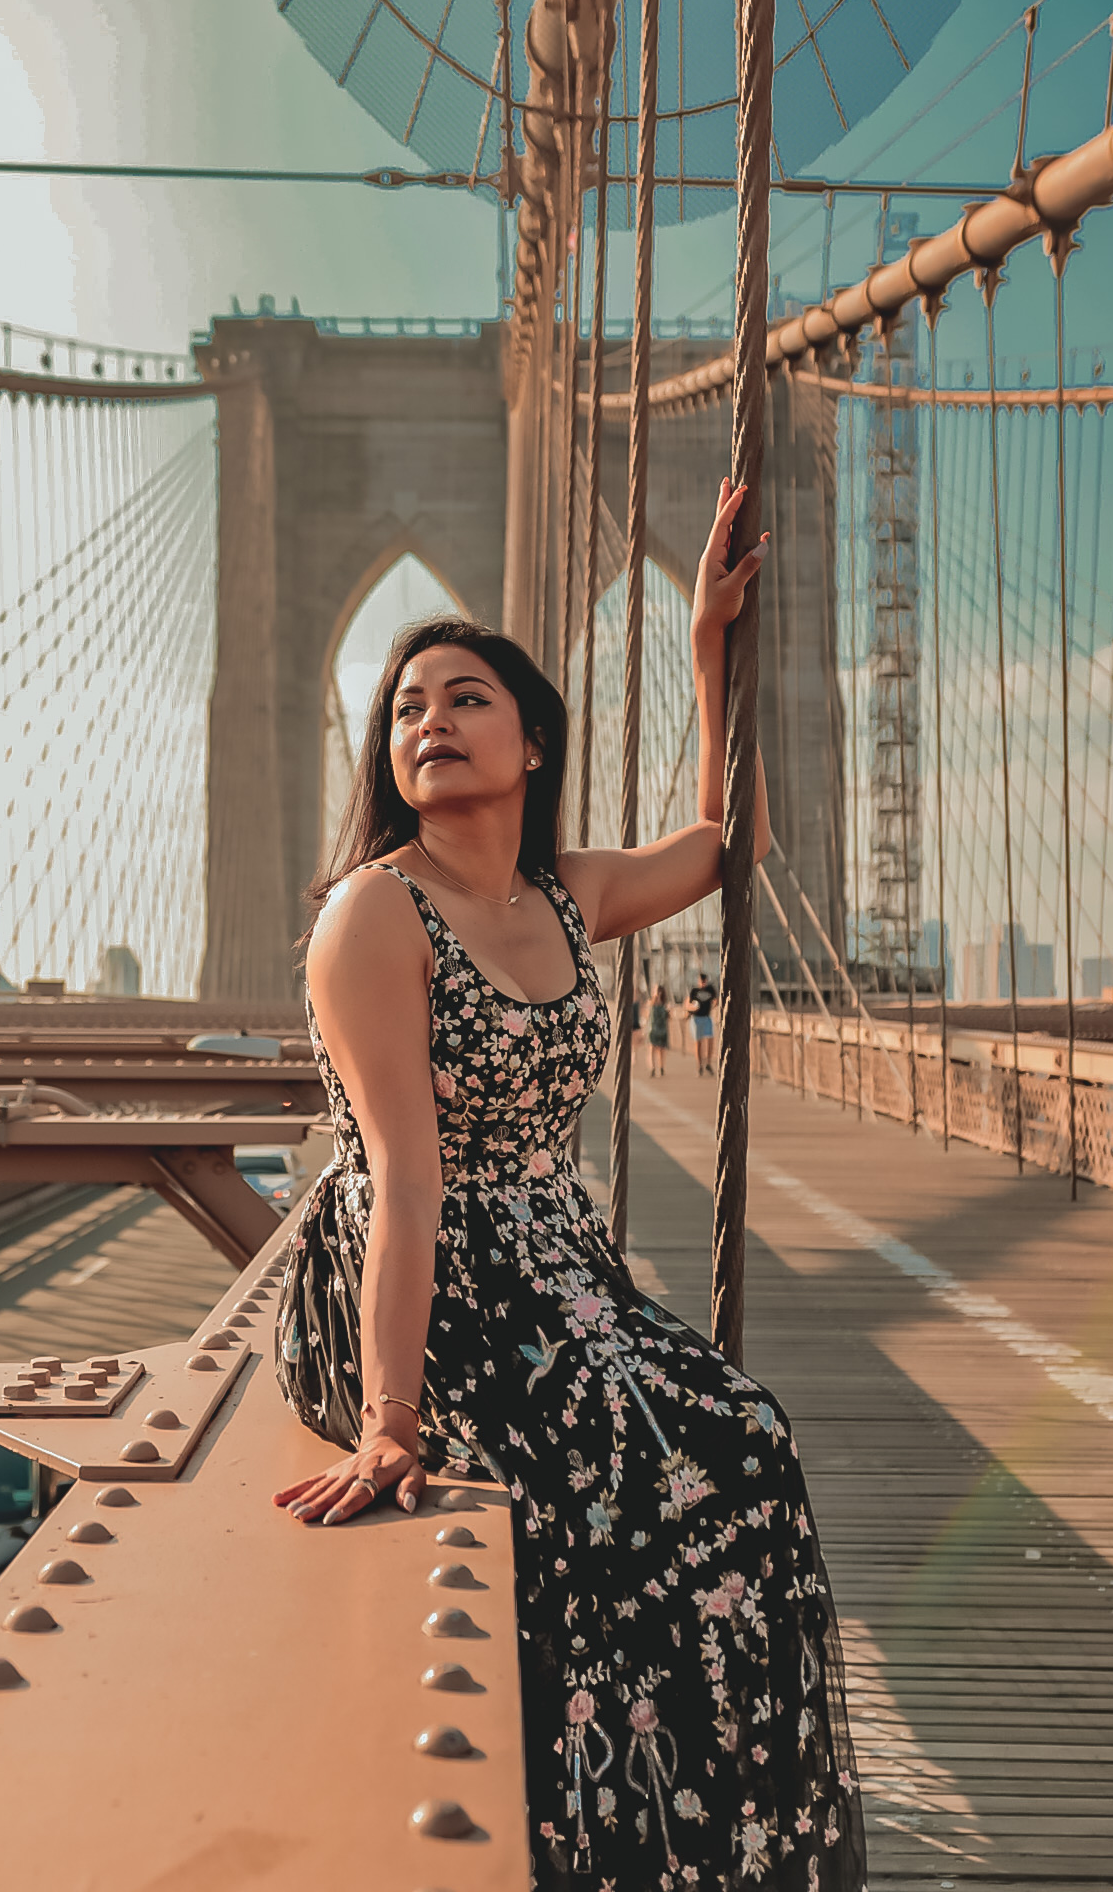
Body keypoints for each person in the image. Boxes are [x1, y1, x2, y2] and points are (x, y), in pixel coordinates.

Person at [272, 481, 866, 1891]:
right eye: (406, 705)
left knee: (749, 1444)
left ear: (532, 740)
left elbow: (731, 847)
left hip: (561, 1273)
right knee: (611, 1498)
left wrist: (712, 648)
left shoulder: (563, 896)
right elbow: (406, 1182)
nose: (428, 720)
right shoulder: (373, 913)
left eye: (465, 697)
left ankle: (726, 1850)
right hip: (426, 1278)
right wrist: (392, 1420)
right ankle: (600, 1842)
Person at [686, 969, 719, 1076]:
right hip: (696, 1018)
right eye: (701, 981)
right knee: (698, 1042)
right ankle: (699, 1065)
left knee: (710, 1039)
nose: (703, 983)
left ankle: (708, 1063)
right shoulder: (694, 991)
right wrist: (693, 1008)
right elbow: (687, 1004)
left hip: (706, 1017)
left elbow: (716, 1000)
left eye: (704, 981)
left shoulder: (710, 990)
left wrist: (713, 1006)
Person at [646, 981, 670, 1076]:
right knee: (652, 1048)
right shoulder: (651, 1002)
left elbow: (668, 1017)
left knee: (661, 1049)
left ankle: (661, 1067)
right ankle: (652, 1068)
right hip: (653, 1029)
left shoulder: (665, 1004)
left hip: (662, 1029)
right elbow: (648, 1013)